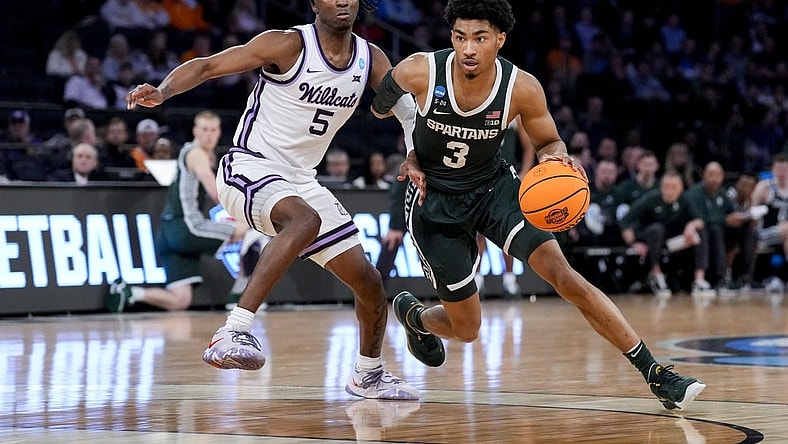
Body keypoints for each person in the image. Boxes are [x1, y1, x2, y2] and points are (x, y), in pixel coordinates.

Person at [371, 0, 705, 410]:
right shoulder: (419, 69)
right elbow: (381, 106)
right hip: (434, 202)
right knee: (468, 328)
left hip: (494, 189)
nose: (468, 48)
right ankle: (415, 316)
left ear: (500, 39)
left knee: (565, 277)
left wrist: (555, 159)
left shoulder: (522, 87)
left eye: (479, 38)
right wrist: (411, 152)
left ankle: (655, 373)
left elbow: (549, 141)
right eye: (460, 37)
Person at [126, 0, 420, 401]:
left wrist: (414, 150)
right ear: (315, 2)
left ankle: (367, 375)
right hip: (249, 165)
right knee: (304, 220)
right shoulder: (288, 45)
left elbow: (406, 107)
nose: (342, 1)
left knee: (369, 283)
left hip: (302, 179)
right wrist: (162, 91)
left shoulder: (371, 59)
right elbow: (209, 65)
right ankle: (233, 330)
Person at [108, 111, 249, 312]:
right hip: (187, 227)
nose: (208, 135)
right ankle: (240, 294)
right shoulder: (196, 153)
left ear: (219, 133)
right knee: (250, 230)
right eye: (204, 130)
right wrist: (245, 212)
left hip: (168, 232)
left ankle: (130, 292)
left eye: (213, 130)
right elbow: (216, 193)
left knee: (180, 300)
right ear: (195, 131)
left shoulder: (196, 153)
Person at [619, 172, 710, 297]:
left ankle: (699, 280)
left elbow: (700, 220)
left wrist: (691, 225)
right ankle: (656, 274)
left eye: (674, 187)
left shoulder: (685, 199)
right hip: (651, 241)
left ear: (681, 188)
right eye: (666, 187)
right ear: (661, 187)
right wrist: (633, 243)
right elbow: (625, 220)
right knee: (657, 228)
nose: (670, 191)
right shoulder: (651, 199)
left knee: (700, 232)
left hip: (673, 243)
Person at [750, 153, 788, 293]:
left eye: (785, 169)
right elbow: (751, 211)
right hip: (765, 233)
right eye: (779, 169)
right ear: (773, 170)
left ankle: (781, 277)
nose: (782, 173)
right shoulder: (765, 187)